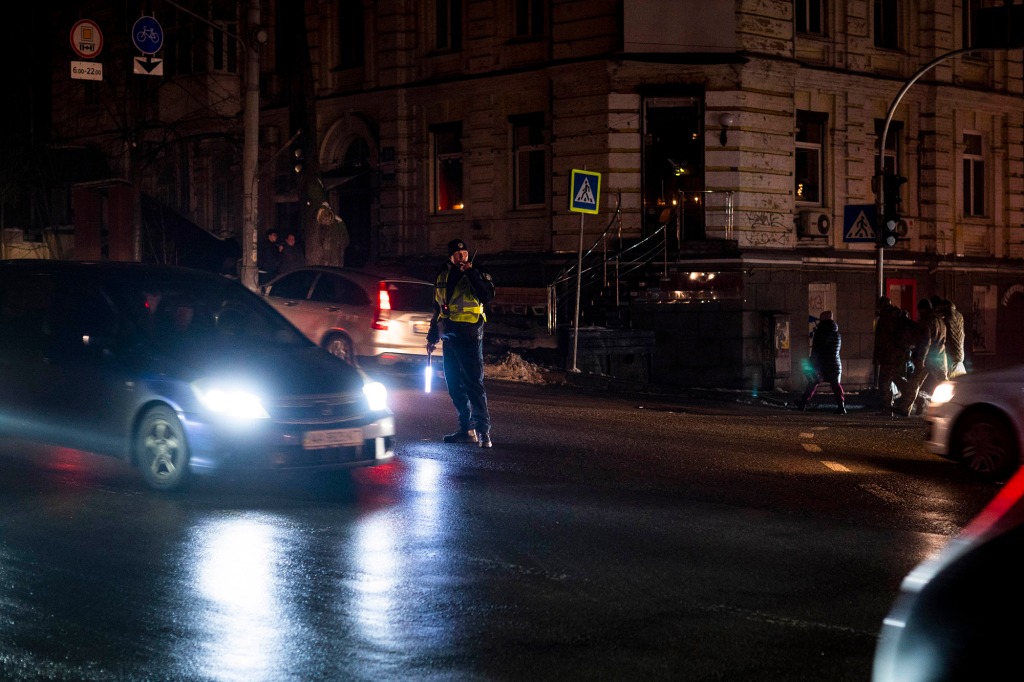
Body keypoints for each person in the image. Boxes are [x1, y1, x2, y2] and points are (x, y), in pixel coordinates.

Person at [426, 238, 496, 448]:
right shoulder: (443, 276)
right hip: (450, 336)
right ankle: (466, 429)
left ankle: (484, 432)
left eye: (464, 253)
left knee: (473, 383)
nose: (461, 257)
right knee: (454, 385)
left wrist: (471, 272)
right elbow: (438, 308)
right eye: (457, 255)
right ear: (451, 257)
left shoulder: (478, 272)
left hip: (471, 334)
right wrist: (432, 336)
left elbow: (487, 296)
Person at [897, 298, 948, 416]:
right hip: (940, 357)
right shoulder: (940, 321)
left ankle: (905, 408)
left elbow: (926, 342)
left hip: (927, 359)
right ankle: (951, 408)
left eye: (920, 311)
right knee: (945, 384)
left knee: (914, 383)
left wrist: (920, 359)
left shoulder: (927, 322)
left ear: (923, 310)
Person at [795, 310, 846, 414]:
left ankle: (803, 404)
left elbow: (817, 350)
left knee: (813, 382)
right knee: (836, 385)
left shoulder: (821, 332)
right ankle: (841, 407)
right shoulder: (837, 333)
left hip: (822, 364)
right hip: (835, 363)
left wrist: (811, 362)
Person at [873, 296, 914, 416]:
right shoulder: (899, 315)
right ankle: (913, 396)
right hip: (900, 355)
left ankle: (887, 408)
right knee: (896, 378)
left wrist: (878, 357)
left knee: (884, 382)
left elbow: (881, 340)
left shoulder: (885, 318)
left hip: (889, 355)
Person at [936, 297, 967, 378]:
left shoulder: (944, 317)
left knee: (949, 382)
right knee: (961, 381)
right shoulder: (959, 316)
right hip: (960, 354)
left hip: (950, 354)